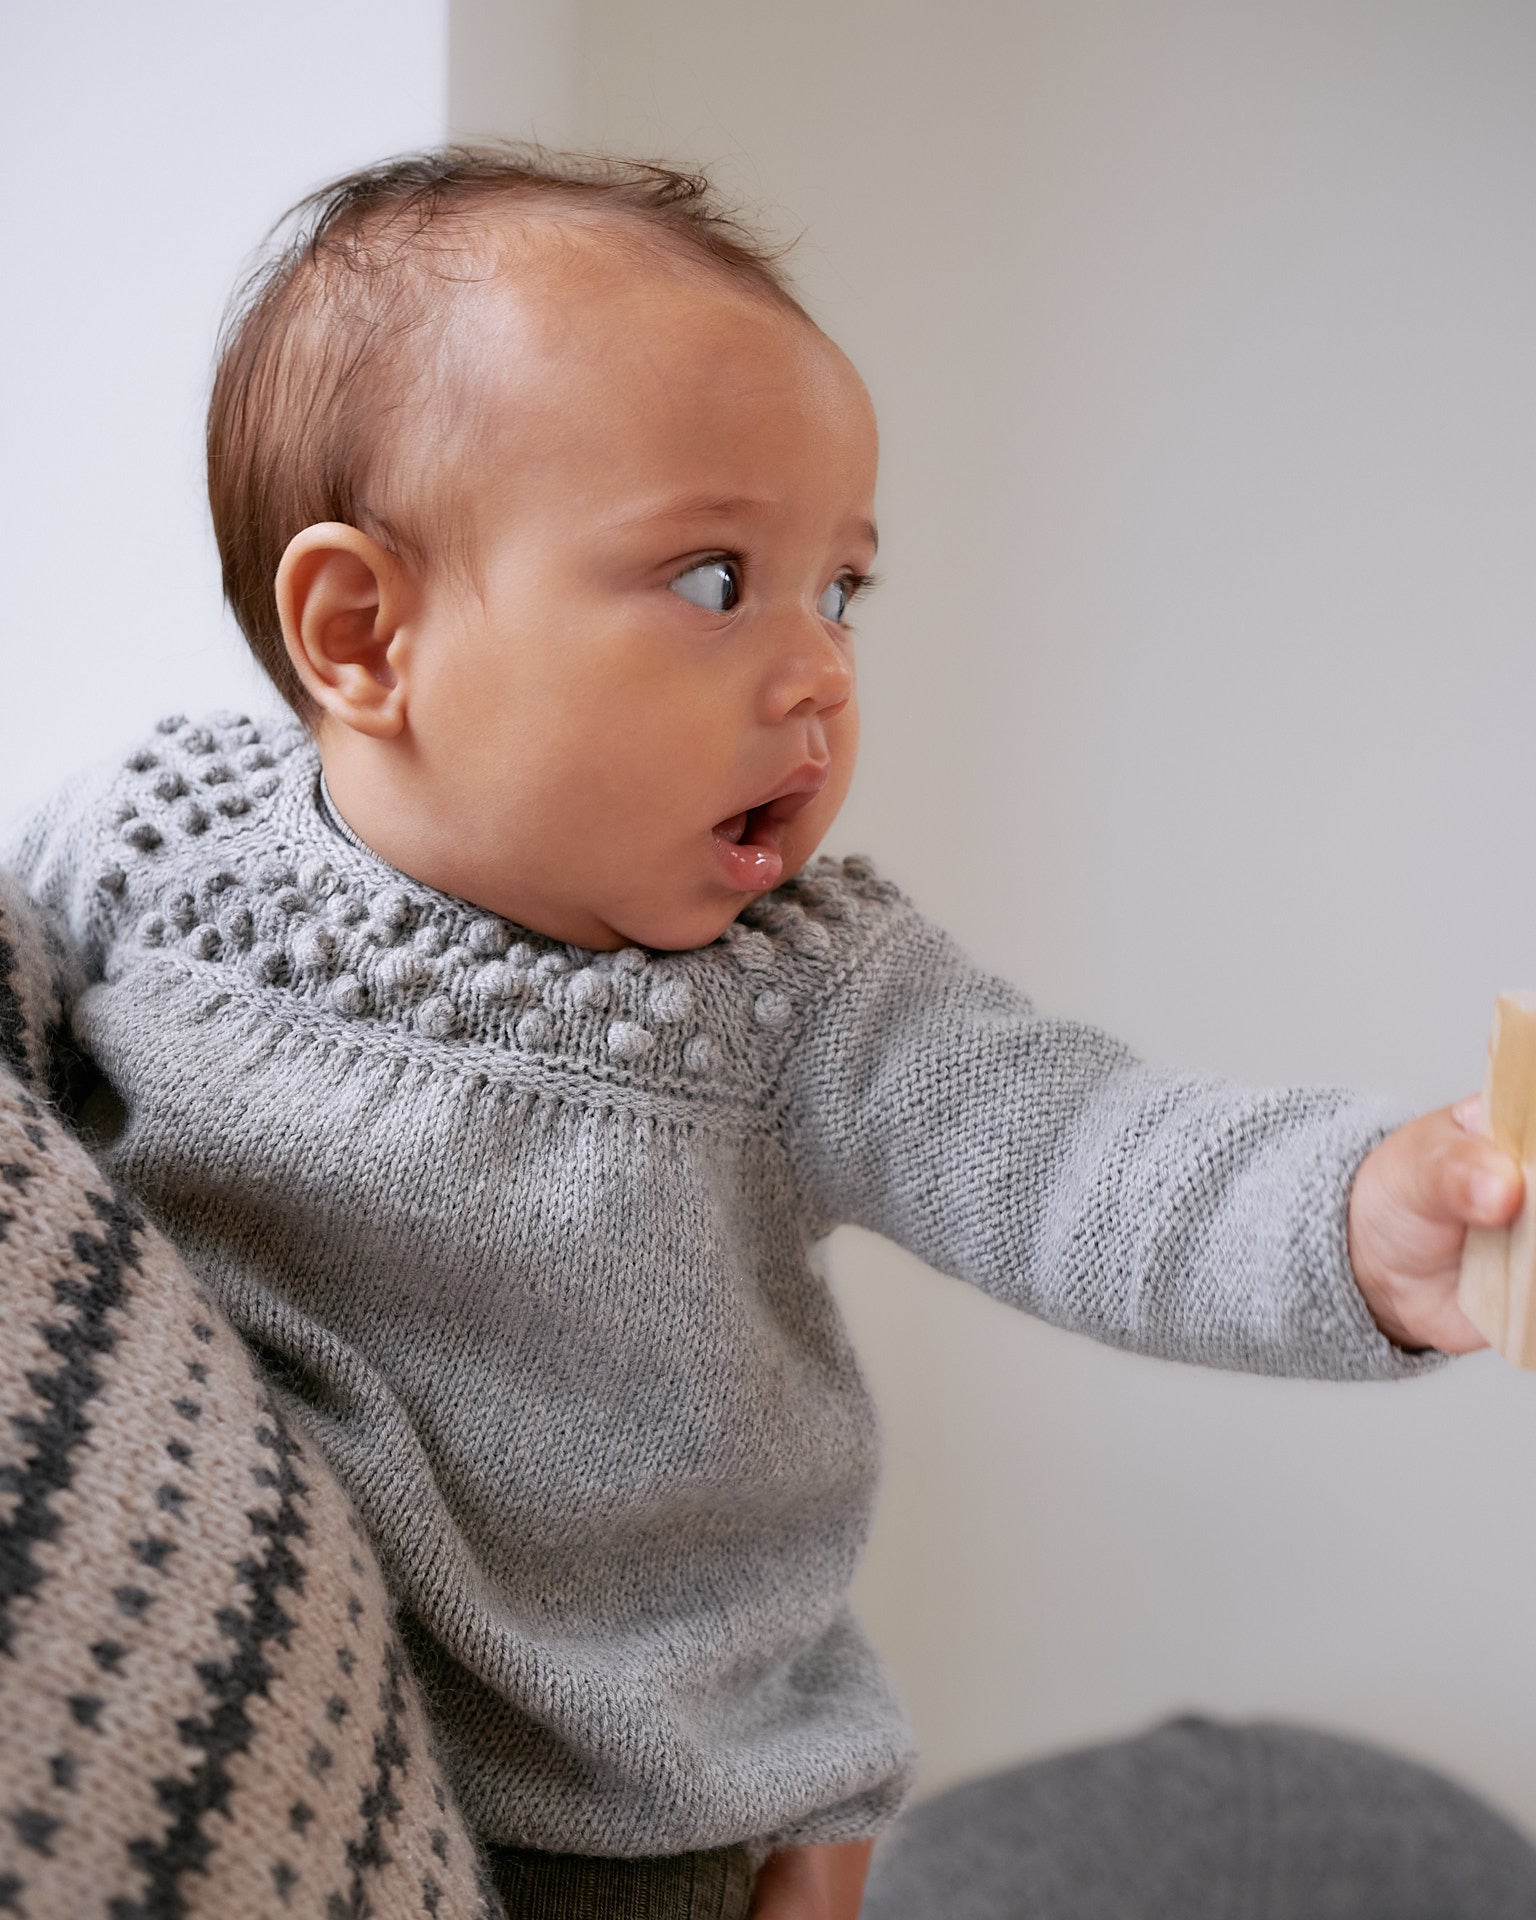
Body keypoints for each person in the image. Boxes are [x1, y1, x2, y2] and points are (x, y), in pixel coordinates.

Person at [3, 146, 1521, 1920]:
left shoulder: (806, 993)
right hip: (244, 1679)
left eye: (842, 590)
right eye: (718, 582)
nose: (818, 671)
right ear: (365, 633)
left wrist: (1363, 1219)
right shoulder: (157, 834)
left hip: (631, 1831)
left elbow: (1091, 1155)